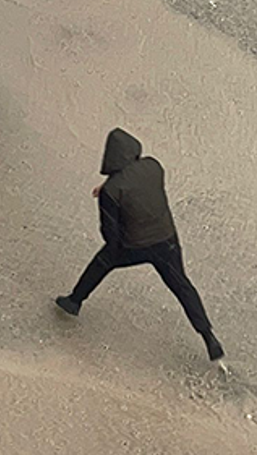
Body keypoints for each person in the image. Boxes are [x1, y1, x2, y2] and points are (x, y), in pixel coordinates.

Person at [56, 128, 225, 362]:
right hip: (167, 241)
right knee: (182, 286)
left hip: (134, 245)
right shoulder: (154, 167)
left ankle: (74, 301)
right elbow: (135, 184)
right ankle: (209, 338)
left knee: (102, 262)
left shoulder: (112, 191)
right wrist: (110, 187)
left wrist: (108, 197)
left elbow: (110, 233)